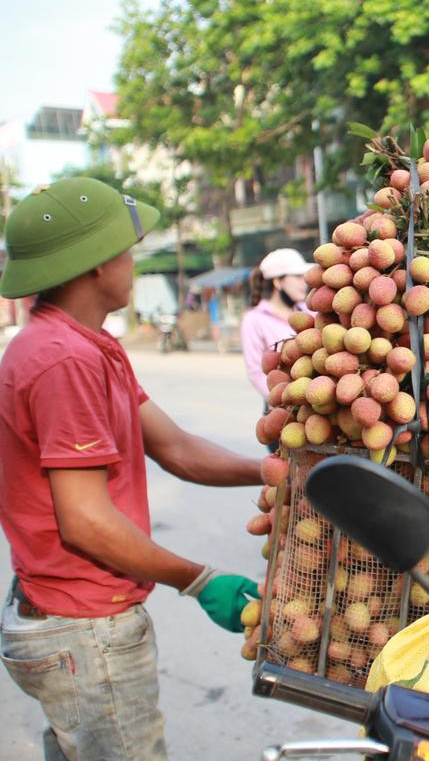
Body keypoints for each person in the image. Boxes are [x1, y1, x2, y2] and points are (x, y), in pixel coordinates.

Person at [0, 178, 267, 760]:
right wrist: (197, 579)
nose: (132, 261)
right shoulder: (60, 360)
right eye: (126, 250)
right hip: (83, 631)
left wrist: (273, 474)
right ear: (94, 265)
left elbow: (175, 447)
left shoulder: (92, 345)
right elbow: (85, 522)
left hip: (74, 624)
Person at [240, 248, 310, 401]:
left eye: (304, 276)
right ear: (278, 282)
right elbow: (255, 371)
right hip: (282, 403)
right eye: (297, 276)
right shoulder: (254, 319)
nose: (303, 282)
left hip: (314, 395)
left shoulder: (310, 311)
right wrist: (282, 399)